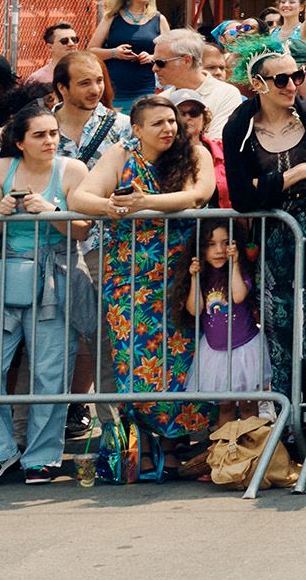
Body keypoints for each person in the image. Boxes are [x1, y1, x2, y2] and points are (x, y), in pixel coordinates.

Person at [68, 86, 216, 479]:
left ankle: (172, 444)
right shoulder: (120, 154)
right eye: (158, 123)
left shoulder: (193, 152)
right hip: (128, 279)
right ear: (136, 129)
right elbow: (79, 198)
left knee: (179, 361)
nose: (169, 128)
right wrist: (114, 206)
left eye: (172, 120)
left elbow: (199, 195)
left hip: (179, 275)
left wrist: (145, 201)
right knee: (134, 363)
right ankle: (144, 448)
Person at [217, 47, 306, 428]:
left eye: (297, 76)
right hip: (274, 246)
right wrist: (296, 174)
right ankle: (288, 424)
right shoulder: (240, 128)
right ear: (258, 84)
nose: (291, 85)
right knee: (280, 339)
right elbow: (242, 195)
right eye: (281, 79)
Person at [0, 102, 87, 487]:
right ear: (19, 141)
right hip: (8, 275)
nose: (51, 141)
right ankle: (0, 452)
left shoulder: (73, 169)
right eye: (40, 135)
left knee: (51, 373)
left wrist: (51, 210)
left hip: (57, 274)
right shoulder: (1, 170)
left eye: (53, 133)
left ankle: (43, 457)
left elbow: (82, 230)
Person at [185, 217, 268, 412]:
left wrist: (236, 264)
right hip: (216, 354)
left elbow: (238, 296)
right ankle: (226, 443)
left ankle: (251, 442)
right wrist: (194, 278)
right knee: (226, 408)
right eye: (211, 244)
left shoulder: (239, 271)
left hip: (244, 349)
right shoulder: (204, 277)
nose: (219, 250)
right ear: (201, 249)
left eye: (225, 243)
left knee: (249, 407)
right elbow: (194, 309)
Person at [96, 0, 165, 103]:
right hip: (114, 90)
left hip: (145, 89)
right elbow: (91, 51)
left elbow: (170, 54)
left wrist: (151, 57)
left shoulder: (158, 19)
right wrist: (114, 53)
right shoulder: (111, 18)